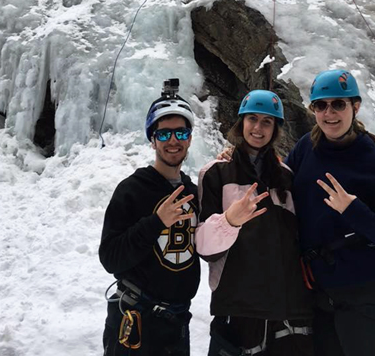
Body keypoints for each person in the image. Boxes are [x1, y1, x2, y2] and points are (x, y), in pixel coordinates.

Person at [285, 69, 375, 356]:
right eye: (321, 105)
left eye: (339, 104)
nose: (329, 113)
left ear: (355, 107)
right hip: (325, 296)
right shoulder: (306, 149)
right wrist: (239, 158)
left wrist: (354, 211)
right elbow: (280, 184)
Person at [196, 89, 313, 356]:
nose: (258, 128)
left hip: (289, 311)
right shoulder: (215, 173)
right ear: (242, 123)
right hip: (239, 307)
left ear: (275, 129)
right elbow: (204, 248)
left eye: (267, 121)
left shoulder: (286, 176)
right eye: (252, 119)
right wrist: (229, 222)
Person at [99, 79, 200, 356]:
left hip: (178, 323)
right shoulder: (132, 190)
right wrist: (156, 223)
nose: (173, 141)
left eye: (181, 133)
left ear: (190, 138)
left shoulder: (192, 191)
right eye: (164, 134)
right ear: (152, 139)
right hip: (136, 322)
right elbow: (110, 257)